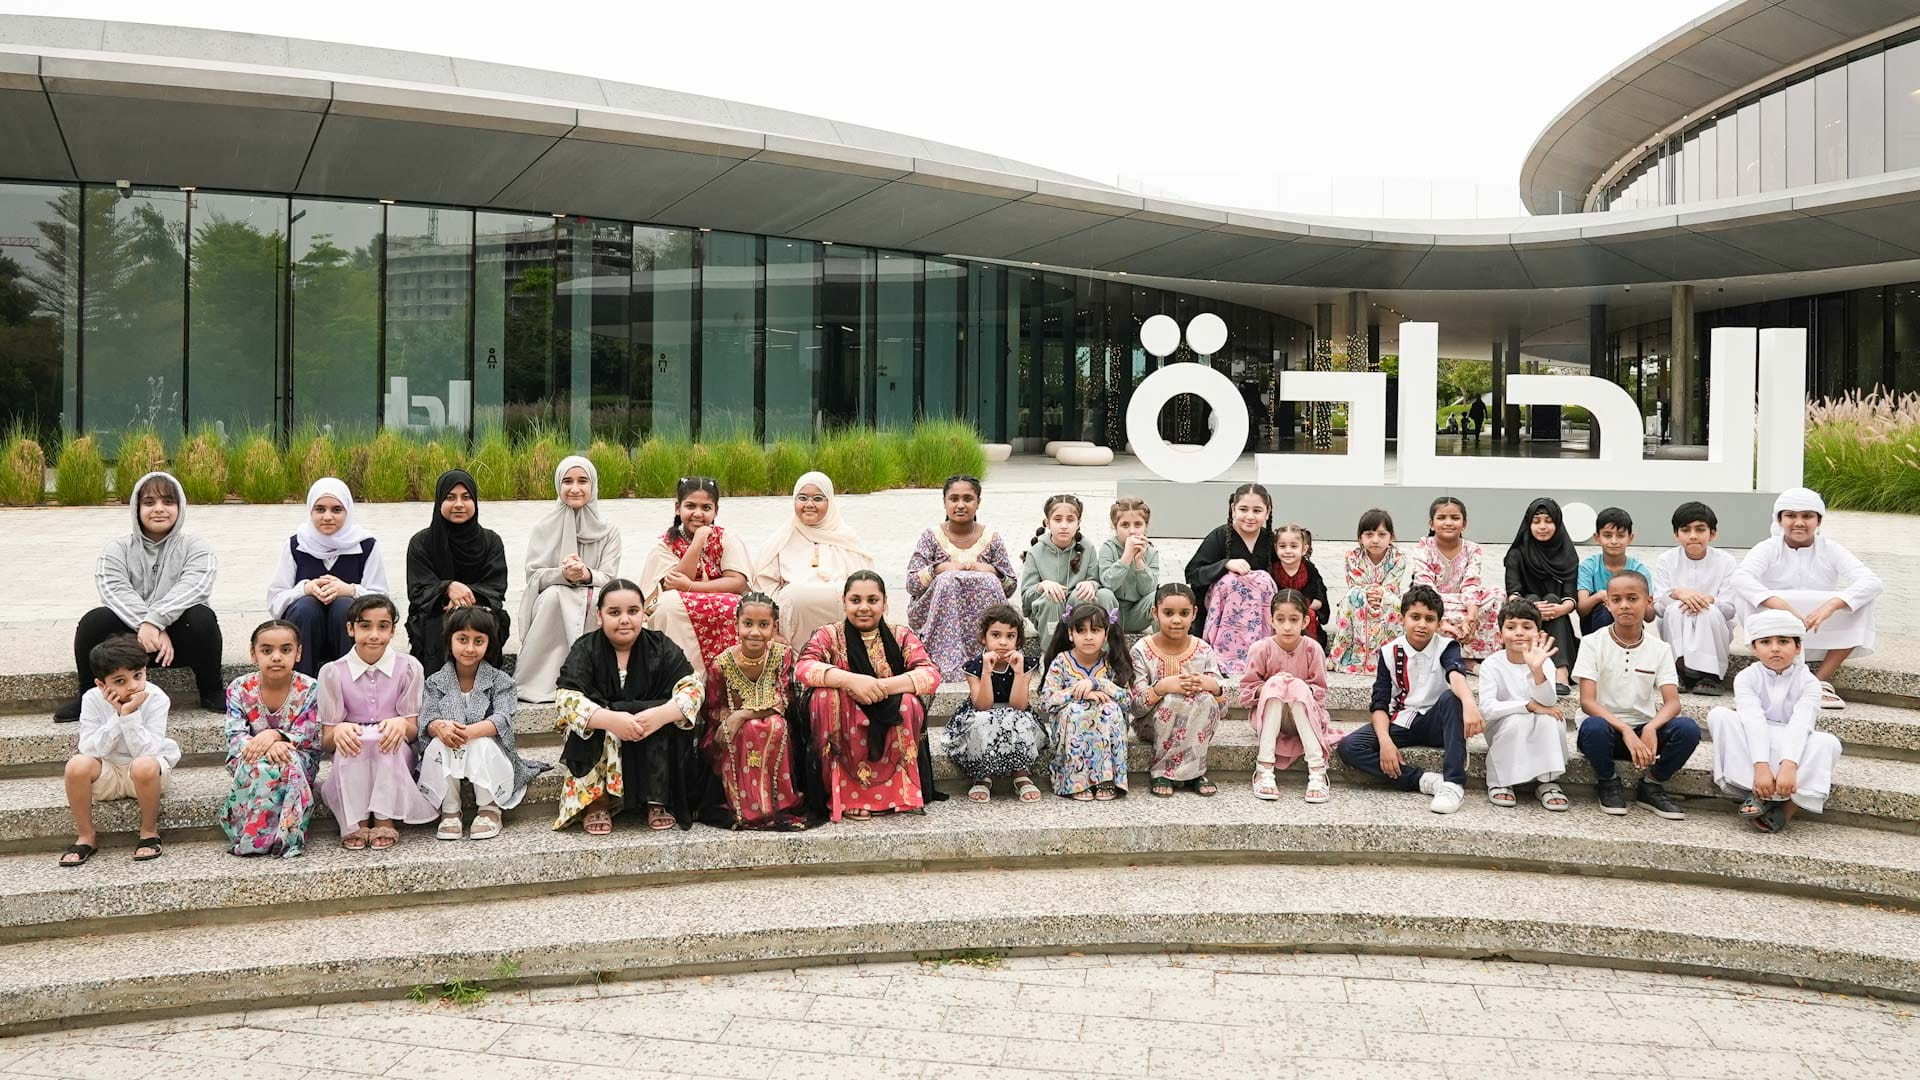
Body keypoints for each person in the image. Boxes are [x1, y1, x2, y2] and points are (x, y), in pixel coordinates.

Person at [58, 471, 223, 722]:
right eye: (149, 503)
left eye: (168, 502)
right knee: (95, 620)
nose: (159, 509)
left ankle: (211, 689)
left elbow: (195, 587)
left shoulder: (196, 547)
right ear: (137, 507)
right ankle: (88, 695)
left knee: (201, 617)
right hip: (130, 645)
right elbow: (112, 590)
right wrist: (146, 625)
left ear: (180, 507)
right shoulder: (117, 549)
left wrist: (156, 621)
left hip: (176, 645)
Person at [553, 578, 705, 834]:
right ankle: (597, 800)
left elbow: (693, 687)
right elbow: (566, 697)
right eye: (615, 612)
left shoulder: (660, 646)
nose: (625, 620)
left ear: (643, 613)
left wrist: (661, 714)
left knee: (658, 718)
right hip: (604, 732)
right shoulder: (585, 649)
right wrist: (611, 719)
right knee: (593, 721)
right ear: (599, 616)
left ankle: (656, 798)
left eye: (633, 611)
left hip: (650, 729)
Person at [796, 571, 941, 821]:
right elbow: (804, 668)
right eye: (855, 600)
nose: (864, 608)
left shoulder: (900, 635)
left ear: (885, 603)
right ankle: (843, 794)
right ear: (844, 602)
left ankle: (897, 792)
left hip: (888, 712)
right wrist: (851, 680)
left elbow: (930, 675)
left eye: (872, 600)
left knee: (908, 703)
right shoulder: (828, 635)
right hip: (844, 720)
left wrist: (879, 687)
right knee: (824, 698)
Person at [1731, 487, 1883, 710]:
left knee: (1863, 601)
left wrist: (1831, 606)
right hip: (1777, 623)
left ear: (1819, 521)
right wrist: (1781, 605)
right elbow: (1740, 578)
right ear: (1779, 519)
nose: (1799, 523)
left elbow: (1872, 582)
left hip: (1818, 622)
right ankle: (1773, 676)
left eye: (1807, 516)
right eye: (1791, 515)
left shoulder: (1831, 549)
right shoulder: (1767, 548)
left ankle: (1820, 681)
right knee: (1745, 595)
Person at [1335, 585, 1481, 814]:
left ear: (1439, 623)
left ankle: (1453, 783)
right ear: (1402, 618)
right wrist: (1385, 742)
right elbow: (1380, 703)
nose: (1422, 624)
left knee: (1452, 699)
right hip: (1403, 720)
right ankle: (1423, 780)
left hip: (1438, 722)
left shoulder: (1447, 647)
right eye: (1415, 617)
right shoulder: (1389, 652)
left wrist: (1470, 703)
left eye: (1430, 619)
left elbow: (1455, 675)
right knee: (1349, 747)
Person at [1573, 571, 1698, 819]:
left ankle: (1652, 784)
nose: (1624, 605)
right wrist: (1625, 730)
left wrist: (1651, 728)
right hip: (1604, 733)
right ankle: (1608, 781)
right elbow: (1587, 701)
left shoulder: (1660, 649)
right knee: (1593, 727)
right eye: (1616, 600)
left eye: (1632, 598)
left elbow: (1673, 703)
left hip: (1644, 736)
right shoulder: (1591, 643)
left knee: (1688, 729)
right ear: (1607, 604)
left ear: (1648, 602)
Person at [416, 607, 549, 841]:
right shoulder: (435, 681)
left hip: (488, 750)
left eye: (478, 641)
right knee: (439, 743)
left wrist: (469, 732)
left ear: (489, 644)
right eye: (462, 639)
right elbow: (427, 717)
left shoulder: (501, 681)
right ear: (450, 640)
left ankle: (489, 808)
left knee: (482, 742)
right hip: (450, 747)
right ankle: (450, 809)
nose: (469, 648)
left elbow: (502, 718)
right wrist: (440, 727)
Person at [317, 595, 438, 850]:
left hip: (394, 749)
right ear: (350, 629)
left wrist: (402, 725)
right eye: (365, 626)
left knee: (382, 738)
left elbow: (414, 733)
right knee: (359, 739)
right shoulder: (333, 672)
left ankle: (385, 818)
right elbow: (327, 743)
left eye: (383, 626)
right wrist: (338, 729)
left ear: (392, 630)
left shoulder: (408, 667)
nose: (374, 634)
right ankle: (357, 821)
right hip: (352, 751)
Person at [1708, 609, 1844, 833]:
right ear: (1754, 648)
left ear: (1797, 647)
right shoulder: (1747, 677)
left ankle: (1787, 808)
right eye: (1765, 642)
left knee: (1828, 743)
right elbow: (1752, 720)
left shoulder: (1809, 682)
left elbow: (1801, 724)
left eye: (1783, 641)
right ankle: (1757, 789)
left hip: (1793, 742)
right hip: (1754, 741)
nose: (1774, 648)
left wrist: (1789, 764)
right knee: (1720, 716)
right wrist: (1761, 766)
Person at [59, 634, 180, 866]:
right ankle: (86, 836)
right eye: (120, 681)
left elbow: (147, 751)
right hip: (109, 773)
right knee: (76, 764)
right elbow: (89, 748)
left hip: (147, 775)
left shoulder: (156, 698)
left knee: (144, 764)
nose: (133, 686)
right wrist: (118, 716)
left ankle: (149, 832)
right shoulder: (93, 698)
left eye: (138, 676)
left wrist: (131, 715)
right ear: (102, 685)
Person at [517, 456, 624, 704]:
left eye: (582, 481)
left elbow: (609, 577)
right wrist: (562, 575)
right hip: (554, 593)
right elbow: (534, 577)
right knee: (554, 596)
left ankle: (592, 680)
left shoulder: (609, 531)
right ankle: (544, 682)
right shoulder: (543, 528)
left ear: (593, 485)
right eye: (567, 481)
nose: (575, 488)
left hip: (593, 590)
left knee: (598, 598)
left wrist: (585, 574)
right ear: (558, 485)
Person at [701, 592, 810, 830]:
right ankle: (745, 807)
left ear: (774, 627)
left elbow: (784, 699)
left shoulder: (782, 656)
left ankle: (777, 804)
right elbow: (712, 708)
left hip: (774, 727)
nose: (755, 632)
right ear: (736, 624)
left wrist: (742, 715)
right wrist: (729, 720)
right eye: (748, 624)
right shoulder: (721, 665)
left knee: (772, 724)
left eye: (763, 625)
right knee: (747, 730)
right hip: (732, 736)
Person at [220, 620, 322, 858]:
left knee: (286, 762)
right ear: (253, 654)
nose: (276, 657)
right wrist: (266, 747)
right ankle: (253, 835)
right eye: (267, 650)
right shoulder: (239, 688)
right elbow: (235, 736)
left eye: (285, 650)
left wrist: (275, 735)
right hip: (249, 755)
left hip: (298, 756)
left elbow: (307, 735)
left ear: (298, 653)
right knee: (267, 766)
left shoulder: (310, 688)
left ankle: (285, 836)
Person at [267, 478, 387, 677]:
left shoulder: (365, 545)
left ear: (348, 511)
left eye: (337, 510)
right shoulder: (297, 544)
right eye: (320, 509)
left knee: (344, 606)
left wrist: (350, 590)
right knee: (306, 606)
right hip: (305, 632)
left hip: (348, 636)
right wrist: (304, 589)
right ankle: (301, 688)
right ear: (310, 512)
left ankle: (351, 684)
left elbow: (382, 600)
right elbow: (275, 600)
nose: (328, 517)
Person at [906, 475, 1018, 681]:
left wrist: (993, 571)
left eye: (968, 499)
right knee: (948, 580)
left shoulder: (991, 537)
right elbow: (912, 585)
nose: (960, 505)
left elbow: (1010, 587)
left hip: (984, 614)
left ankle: (990, 659)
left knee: (988, 581)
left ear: (978, 503)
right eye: (954, 499)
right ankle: (946, 662)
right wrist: (938, 569)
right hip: (934, 611)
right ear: (944, 502)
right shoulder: (931, 536)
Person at [639, 476, 751, 674]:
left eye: (706, 508)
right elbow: (673, 584)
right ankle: (680, 678)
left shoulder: (727, 538)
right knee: (669, 604)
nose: (698, 514)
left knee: (735, 605)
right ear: (677, 508)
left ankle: (726, 683)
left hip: (721, 600)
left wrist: (692, 587)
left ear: (716, 510)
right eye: (690, 506)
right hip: (679, 604)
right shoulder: (664, 545)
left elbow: (738, 583)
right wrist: (698, 543)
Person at [751, 471, 877, 645]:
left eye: (818, 499)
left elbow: (869, 587)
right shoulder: (781, 539)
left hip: (843, 628)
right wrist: (772, 629)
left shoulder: (847, 539)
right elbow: (764, 585)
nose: (809, 504)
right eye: (802, 498)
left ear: (830, 502)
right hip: (793, 628)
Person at [1240, 589, 1340, 804]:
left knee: (1294, 687)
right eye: (1281, 619)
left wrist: (1296, 686)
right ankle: (1264, 768)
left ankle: (1317, 770)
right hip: (1270, 716)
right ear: (1271, 620)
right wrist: (1271, 685)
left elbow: (1320, 692)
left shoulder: (1313, 649)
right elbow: (1247, 691)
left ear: (1305, 621)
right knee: (1277, 685)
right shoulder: (1261, 648)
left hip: (1304, 716)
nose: (1287, 626)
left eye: (1294, 620)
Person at [406, 470, 509, 674]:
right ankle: (437, 691)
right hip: (436, 610)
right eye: (450, 497)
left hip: (481, 608)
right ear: (439, 502)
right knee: (439, 624)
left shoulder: (491, 541)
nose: (459, 504)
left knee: (484, 622)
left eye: (466, 497)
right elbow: (418, 591)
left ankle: (485, 687)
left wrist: (463, 600)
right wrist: (447, 588)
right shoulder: (422, 542)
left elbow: (496, 588)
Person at [1130, 583, 1226, 799]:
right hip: (1152, 725)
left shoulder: (1203, 649)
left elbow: (1223, 709)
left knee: (1205, 701)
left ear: (1194, 614)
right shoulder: (1141, 651)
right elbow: (1135, 708)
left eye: (1184, 613)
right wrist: (1162, 687)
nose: (1176, 620)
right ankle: (1163, 771)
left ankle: (1195, 772)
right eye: (1168, 613)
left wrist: (1212, 686)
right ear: (1155, 613)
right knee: (1174, 699)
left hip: (1196, 723)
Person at [1476, 600, 1571, 811]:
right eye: (1511, 627)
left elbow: (1548, 703)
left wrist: (1536, 671)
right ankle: (1500, 780)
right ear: (1500, 633)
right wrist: (1528, 706)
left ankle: (1545, 781)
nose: (1519, 633)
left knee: (1550, 719)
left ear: (1538, 632)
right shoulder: (1492, 664)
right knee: (1518, 721)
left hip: (1537, 723)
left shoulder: (1544, 661)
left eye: (1527, 627)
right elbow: (1488, 709)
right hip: (1503, 726)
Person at [942, 604, 1043, 804]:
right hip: (982, 712)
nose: (1003, 642)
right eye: (996, 635)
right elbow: (982, 705)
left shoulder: (1025, 663)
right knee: (984, 720)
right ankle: (982, 774)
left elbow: (1019, 705)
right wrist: (987, 672)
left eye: (1010, 636)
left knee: (1018, 719)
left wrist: (1018, 672)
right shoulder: (975, 666)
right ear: (983, 637)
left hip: (1013, 711)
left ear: (1018, 640)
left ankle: (1020, 773)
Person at [1041, 602, 1134, 801]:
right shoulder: (1061, 661)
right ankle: (1077, 780)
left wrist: (1097, 683)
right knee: (1077, 711)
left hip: (1106, 725)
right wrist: (1078, 693)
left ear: (1106, 634)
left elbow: (1128, 701)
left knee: (1110, 708)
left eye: (1096, 630)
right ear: (1070, 634)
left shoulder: (1111, 661)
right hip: (1071, 724)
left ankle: (1106, 778)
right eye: (1081, 630)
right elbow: (1046, 701)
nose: (1089, 636)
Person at [1184, 482, 1279, 674]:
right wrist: (1225, 564)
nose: (1250, 516)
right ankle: (1226, 655)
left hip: (1260, 618)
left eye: (1257, 510)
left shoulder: (1272, 540)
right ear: (1233, 509)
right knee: (1231, 580)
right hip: (1223, 615)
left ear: (1267, 512)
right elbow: (1192, 573)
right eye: (1243, 509)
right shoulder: (1220, 536)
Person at [1654, 501, 1738, 696]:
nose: (1693, 536)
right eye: (1685, 530)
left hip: (1714, 623)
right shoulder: (1666, 560)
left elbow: (1731, 609)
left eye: (1700, 529)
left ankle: (1710, 675)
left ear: (1712, 533)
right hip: (1677, 621)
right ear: (1676, 535)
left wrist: (1709, 600)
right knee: (1675, 609)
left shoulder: (1726, 561)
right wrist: (1677, 594)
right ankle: (1677, 670)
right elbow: (1658, 607)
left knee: (1708, 612)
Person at [1502, 497, 1579, 693]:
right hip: (1524, 616)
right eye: (1536, 522)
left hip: (1557, 618)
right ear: (1528, 524)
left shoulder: (1567, 555)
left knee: (1553, 600)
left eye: (1548, 521)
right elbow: (1512, 593)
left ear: (1557, 523)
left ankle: (1560, 672)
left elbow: (1571, 597)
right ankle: (1541, 669)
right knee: (1534, 599)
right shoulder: (1517, 554)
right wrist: (1532, 609)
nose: (1542, 527)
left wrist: (1561, 608)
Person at [1410, 497, 1498, 666]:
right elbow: (1425, 587)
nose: (1448, 523)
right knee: (1416, 606)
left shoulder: (1473, 549)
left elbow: (1471, 584)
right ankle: (1457, 657)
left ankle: (1475, 655)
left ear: (1464, 524)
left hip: (1465, 604)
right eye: (1441, 518)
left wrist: (1471, 619)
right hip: (1434, 605)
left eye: (1455, 518)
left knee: (1497, 594)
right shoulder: (1424, 547)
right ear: (1431, 523)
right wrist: (1441, 622)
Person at [1020, 494, 1115, 635]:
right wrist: (1042, 586)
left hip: (1079, 606)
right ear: (1047, 522)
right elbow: (1026, 598)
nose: (1064, 526)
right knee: (1052, 597)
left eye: (1070, 520)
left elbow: (1097, 580)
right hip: (1049, 612)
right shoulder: (1036, 551)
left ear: (1078, 523)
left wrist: (1091, 584)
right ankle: (1050, 652)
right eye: (1057, 520)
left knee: (1094, 594)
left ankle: (1100, 647)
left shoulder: (1087, 547)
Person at [1328, 509, 1406, 675]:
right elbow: (1356, 583)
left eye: (1381, 534)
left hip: (1386, 601)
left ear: (1391, 537)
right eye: (1369, 534)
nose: (1375, 540)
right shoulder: (1352, 557)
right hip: (1360, 600)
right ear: (1360, 538)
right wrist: (1368, 594)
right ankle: (1345, 656)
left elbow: (1392, 585)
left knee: (1398, 605)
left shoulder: (1398, 558)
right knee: (1352, 597)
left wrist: (1381, 595)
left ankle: (1385, 659)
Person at [1576, 507, 1651, 636]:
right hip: (1595, 629)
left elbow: (1650, 616)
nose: (1614, 541)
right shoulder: (1589, 566)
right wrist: (1600, 596)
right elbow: (1582, 609)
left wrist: (1633, 601)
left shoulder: (1638, 570)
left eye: (1621, 536)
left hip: (1630, 627)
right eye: (1607, 535)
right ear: (1597, 537)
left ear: (1630, 538)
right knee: (1605, 611)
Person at [1099, 497, 1161, 635]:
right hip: (1112, 612)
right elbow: (1108, 583)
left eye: (1138, 525)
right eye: (1125, 525)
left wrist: (1139, 562)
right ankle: (1105, 647)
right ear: (1115, 526)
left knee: (1159, 596)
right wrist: (1126, 557)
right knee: (1103, 594)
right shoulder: (1108, 548)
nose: (1132, 531)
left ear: (1146, 526)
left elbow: (1148, 591)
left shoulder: (1151, 552)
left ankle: (1161, 647)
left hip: (1137, 614)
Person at [1269, 523, 1329, 648]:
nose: (1288, 551)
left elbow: (1318, 595)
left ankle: (1309, 649)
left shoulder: (1309, 569)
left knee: (1309, 615)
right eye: (1282, 546)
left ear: (1304, 549)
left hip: (1302, 608)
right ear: (1276, 548)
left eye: (1294, 546)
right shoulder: (1272, 569)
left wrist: (1309, 603)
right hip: (1278, 608)